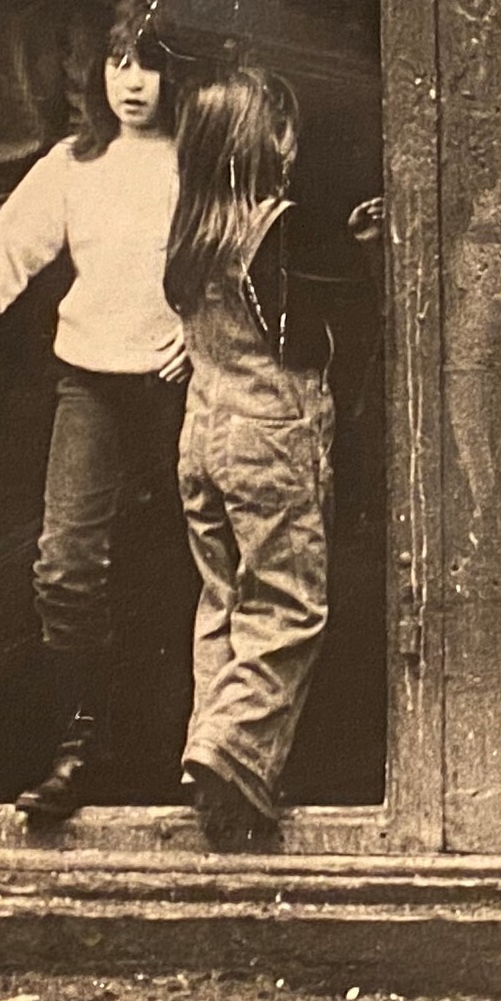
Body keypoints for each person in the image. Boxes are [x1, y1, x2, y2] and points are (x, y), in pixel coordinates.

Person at [0, 0, 187, 824]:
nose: (133, 83)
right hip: (91, 382)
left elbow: (245, 259)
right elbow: (4, 259)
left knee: (191, 565)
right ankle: (77, 748)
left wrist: (202, 338)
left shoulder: (202, 158)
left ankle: (193, 756)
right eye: (119, 61)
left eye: (152, 63)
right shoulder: (73, 163)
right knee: (65, 567)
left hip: (183, 388)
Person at [164, 66, 382, 850]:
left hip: (203, 437)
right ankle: (232, 755)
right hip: (267, 437)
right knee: (287, 603)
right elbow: (309, 338)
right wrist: (368, 262)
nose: (295, 142)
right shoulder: (280, 228)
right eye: (283, 127)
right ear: (267, 145)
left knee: (223, 599)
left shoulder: (192, 232)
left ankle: (210, 759)